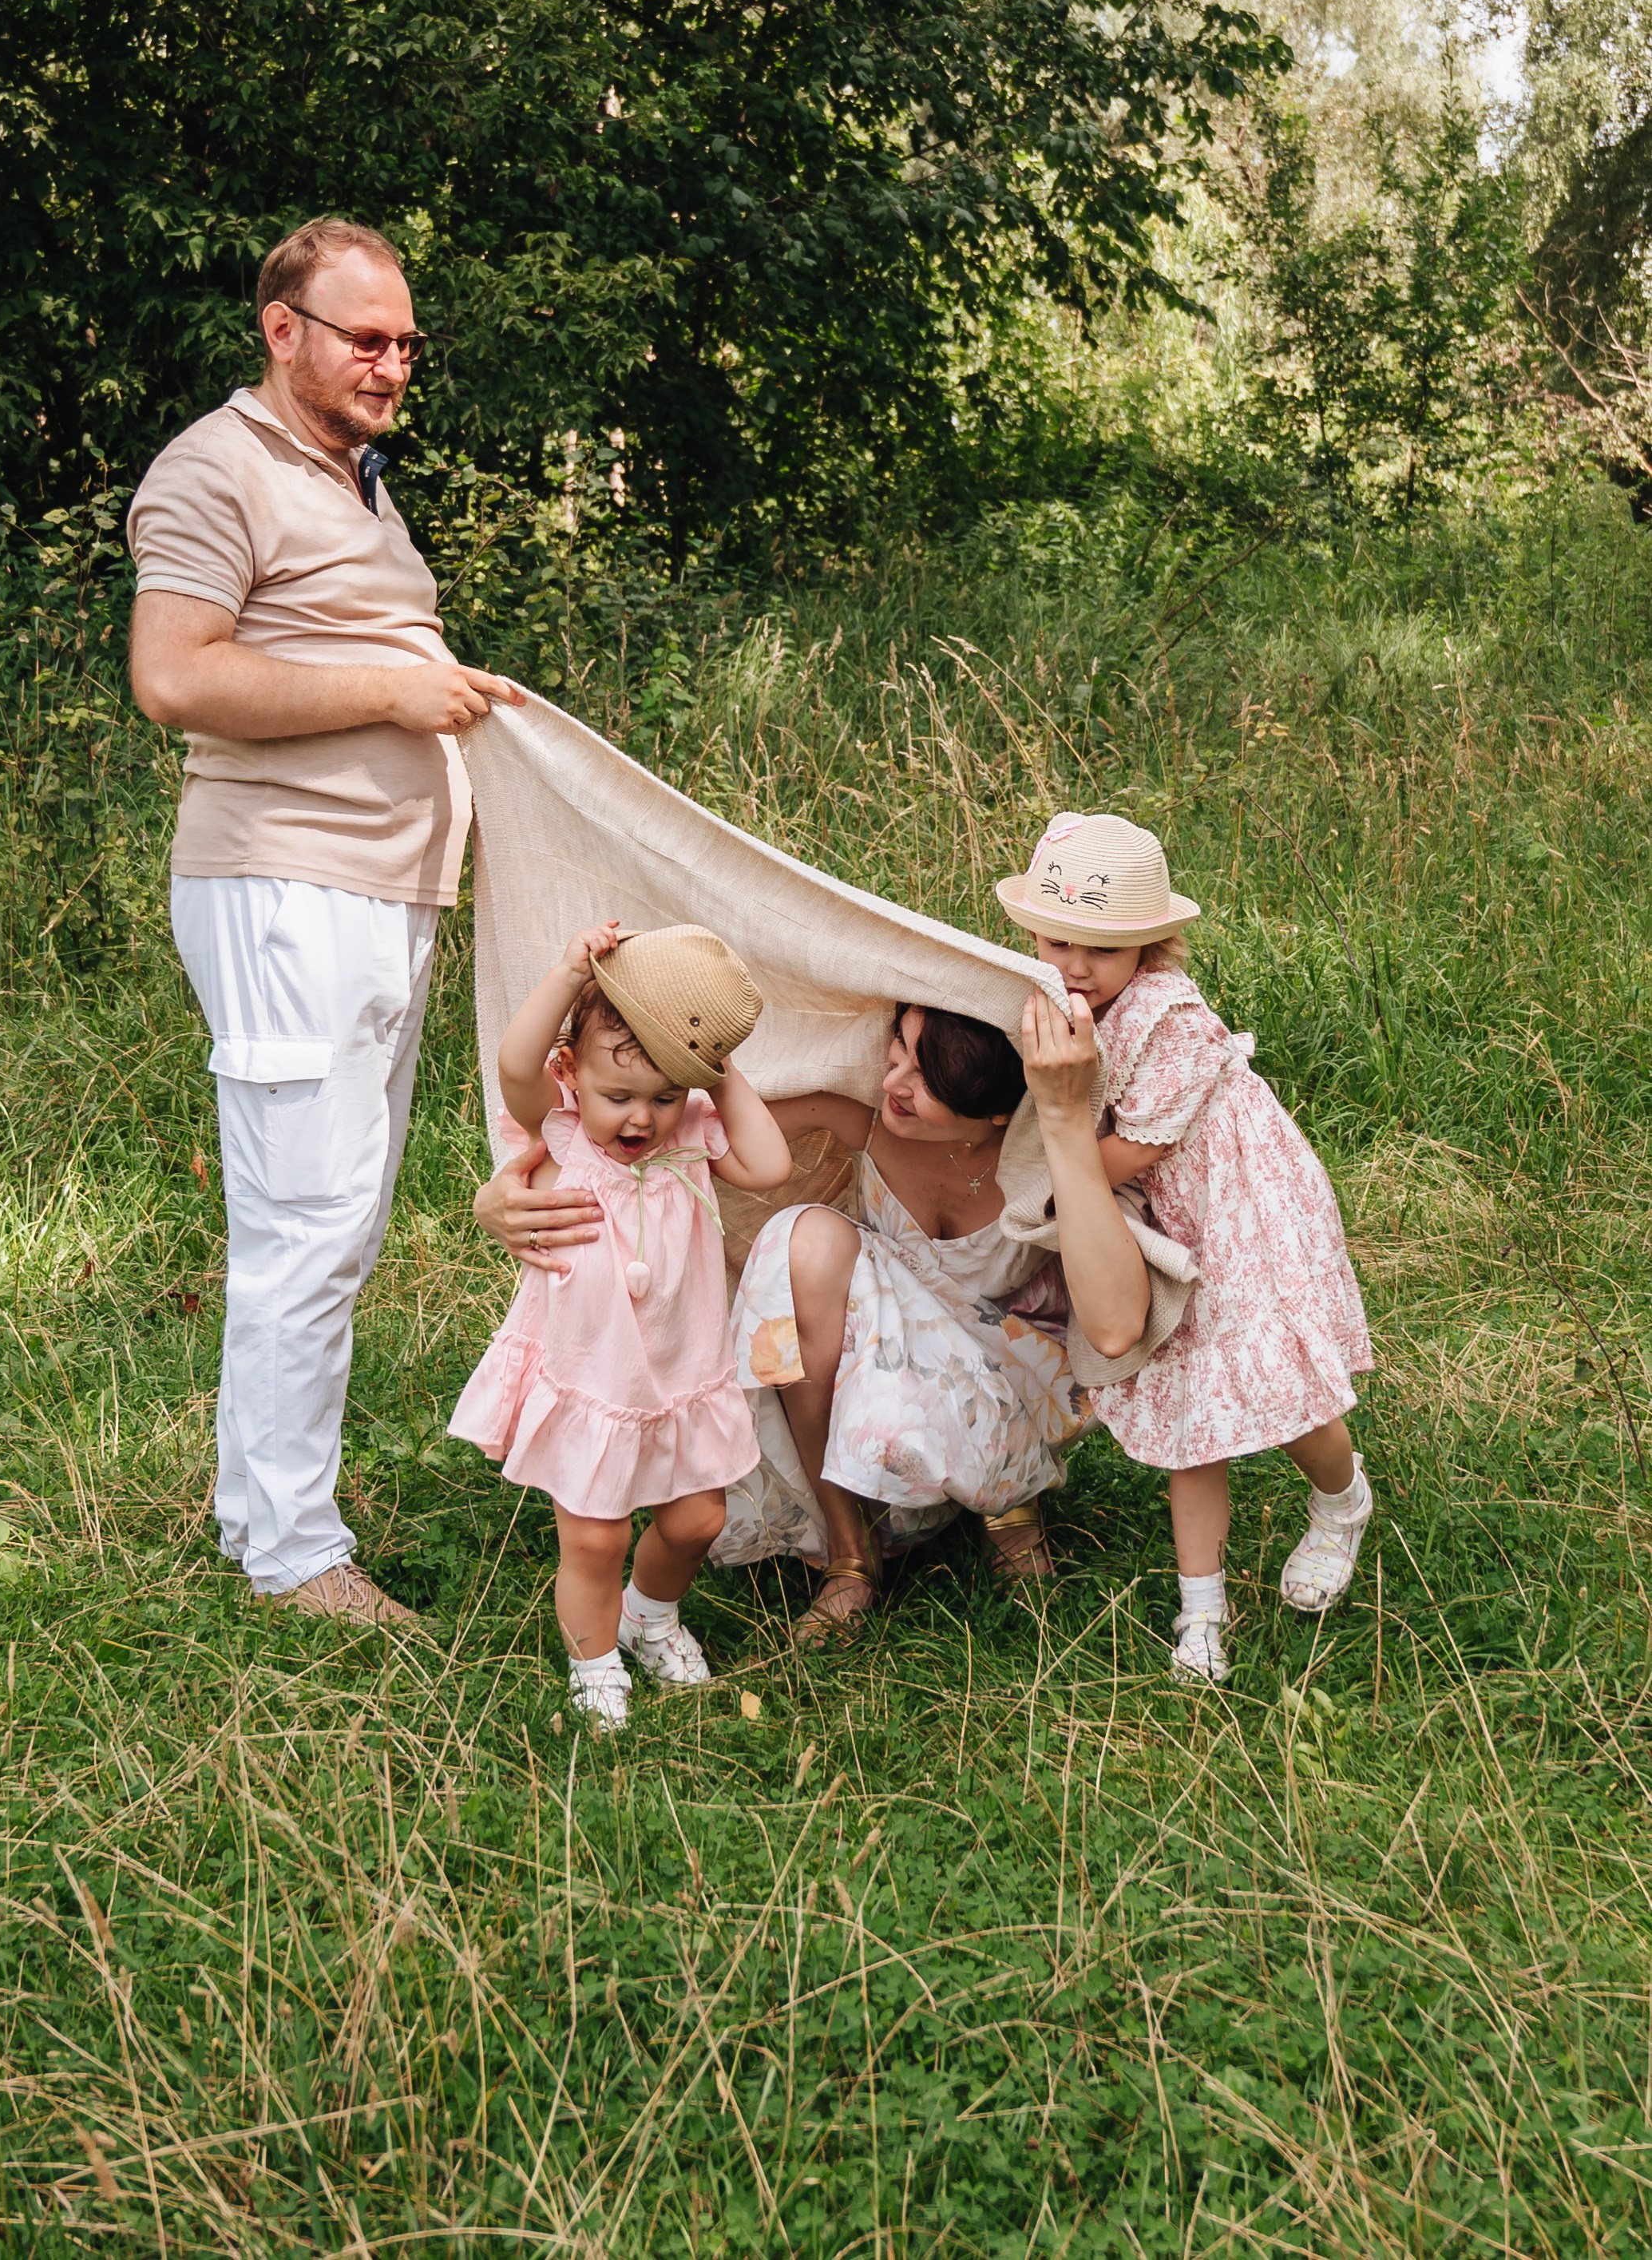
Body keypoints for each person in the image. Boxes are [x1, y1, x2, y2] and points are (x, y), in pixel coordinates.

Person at [127, 215, 517, 1623]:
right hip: (286, 888)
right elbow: (173, 676)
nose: (393, 362)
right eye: (367, 337)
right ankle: (295, 1554)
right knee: (304, 1220)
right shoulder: (213, 467)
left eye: (407, 341)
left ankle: (256, 1509)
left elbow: (340, 648)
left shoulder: (354, 476)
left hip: (370, 890)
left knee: (335, 1218)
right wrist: (393, 694)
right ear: (279, 326)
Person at [474, 977, 1179, 1646]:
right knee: (800, 1240)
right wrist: (503, 1194)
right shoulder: (862, 1120)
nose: (893, 1084)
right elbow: (663, 1135)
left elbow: (1115, 1322)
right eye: (897, 1050)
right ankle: (851, 1551)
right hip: (886, 1385)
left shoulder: (1042, 1161)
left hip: (1014, 1390)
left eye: (927, 1082)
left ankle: (1013, 1511)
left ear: (995, 1110)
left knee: (924, 1305)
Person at [996, 811, 1374, 1685]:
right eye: (1058, 940)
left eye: (1103, 947)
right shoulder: (1044, 1000)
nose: (1075, 966)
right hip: (1158, 1224)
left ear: (1152, 945)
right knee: (1186, 1414)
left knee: (1282, 1391)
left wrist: (1039, 1165)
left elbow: (1133, 1149)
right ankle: (1201, 1611)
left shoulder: (1174, 1021)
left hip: (1234, 1214)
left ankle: (1340, 1497)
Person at [448, 923, 791, 1727]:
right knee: (595, 1538)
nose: (641, 1117)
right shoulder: (564, 1132)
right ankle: (594, 1659)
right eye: (621, 1095)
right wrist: (570, 973)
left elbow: (770, 1166)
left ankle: (650, 1615)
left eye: (664, 1094)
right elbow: (511, 1062)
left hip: (682, 1373)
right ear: (572, 1073)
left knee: (698, 1517)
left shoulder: (691, 1135)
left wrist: (718, 1071)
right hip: (594, 1375)